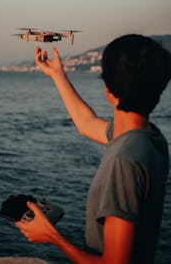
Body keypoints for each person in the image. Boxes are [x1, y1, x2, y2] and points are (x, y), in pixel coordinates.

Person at [15, 34, 171, 264]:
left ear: (108, 88)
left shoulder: (124, 160)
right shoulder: (150, 138)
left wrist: (51, 236)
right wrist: (57, 75)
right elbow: (86, 124)